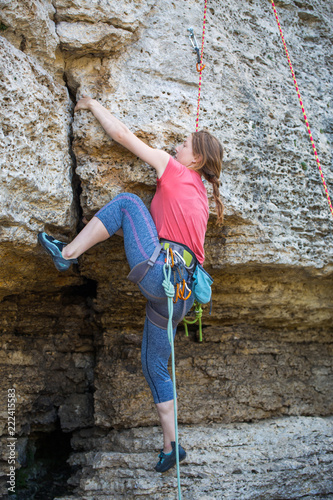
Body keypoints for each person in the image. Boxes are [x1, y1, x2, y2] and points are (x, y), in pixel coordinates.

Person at [38, 96, 224, 473]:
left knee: (126, 203)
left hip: (162, 277)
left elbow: (122, 135)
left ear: (196, 160)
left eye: (185, 144)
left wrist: (91, 104)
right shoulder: (203, 196)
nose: (177, 145)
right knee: (154, 363)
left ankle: (67, 254)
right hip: (181, 297)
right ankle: (172, 446)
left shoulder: (174, 169)